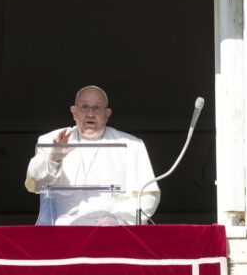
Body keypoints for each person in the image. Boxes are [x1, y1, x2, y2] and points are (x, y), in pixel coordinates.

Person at [25, 85, 160, 225]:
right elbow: (34, 182)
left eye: (97, 108)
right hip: (63, 229)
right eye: (84, 107)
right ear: (74, 112)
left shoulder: (132, 145)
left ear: (107, 114)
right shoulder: (51, 141)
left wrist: (120, 220)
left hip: (112, 231)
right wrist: (54, 158)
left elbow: (148, 195)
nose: (90, 113)